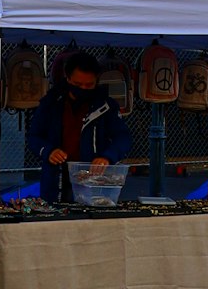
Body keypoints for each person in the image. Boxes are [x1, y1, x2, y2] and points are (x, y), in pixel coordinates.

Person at [28, 53, 132, 203]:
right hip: (56, 179)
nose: (83, 88)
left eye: (89, 85)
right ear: (68, 78)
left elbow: (123, 137)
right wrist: (48, 151)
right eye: (78, 84)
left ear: (97, 80)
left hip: (94, 180)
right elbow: (34, 137)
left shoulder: (107, 106)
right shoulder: (50, 103)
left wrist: (107, 157)